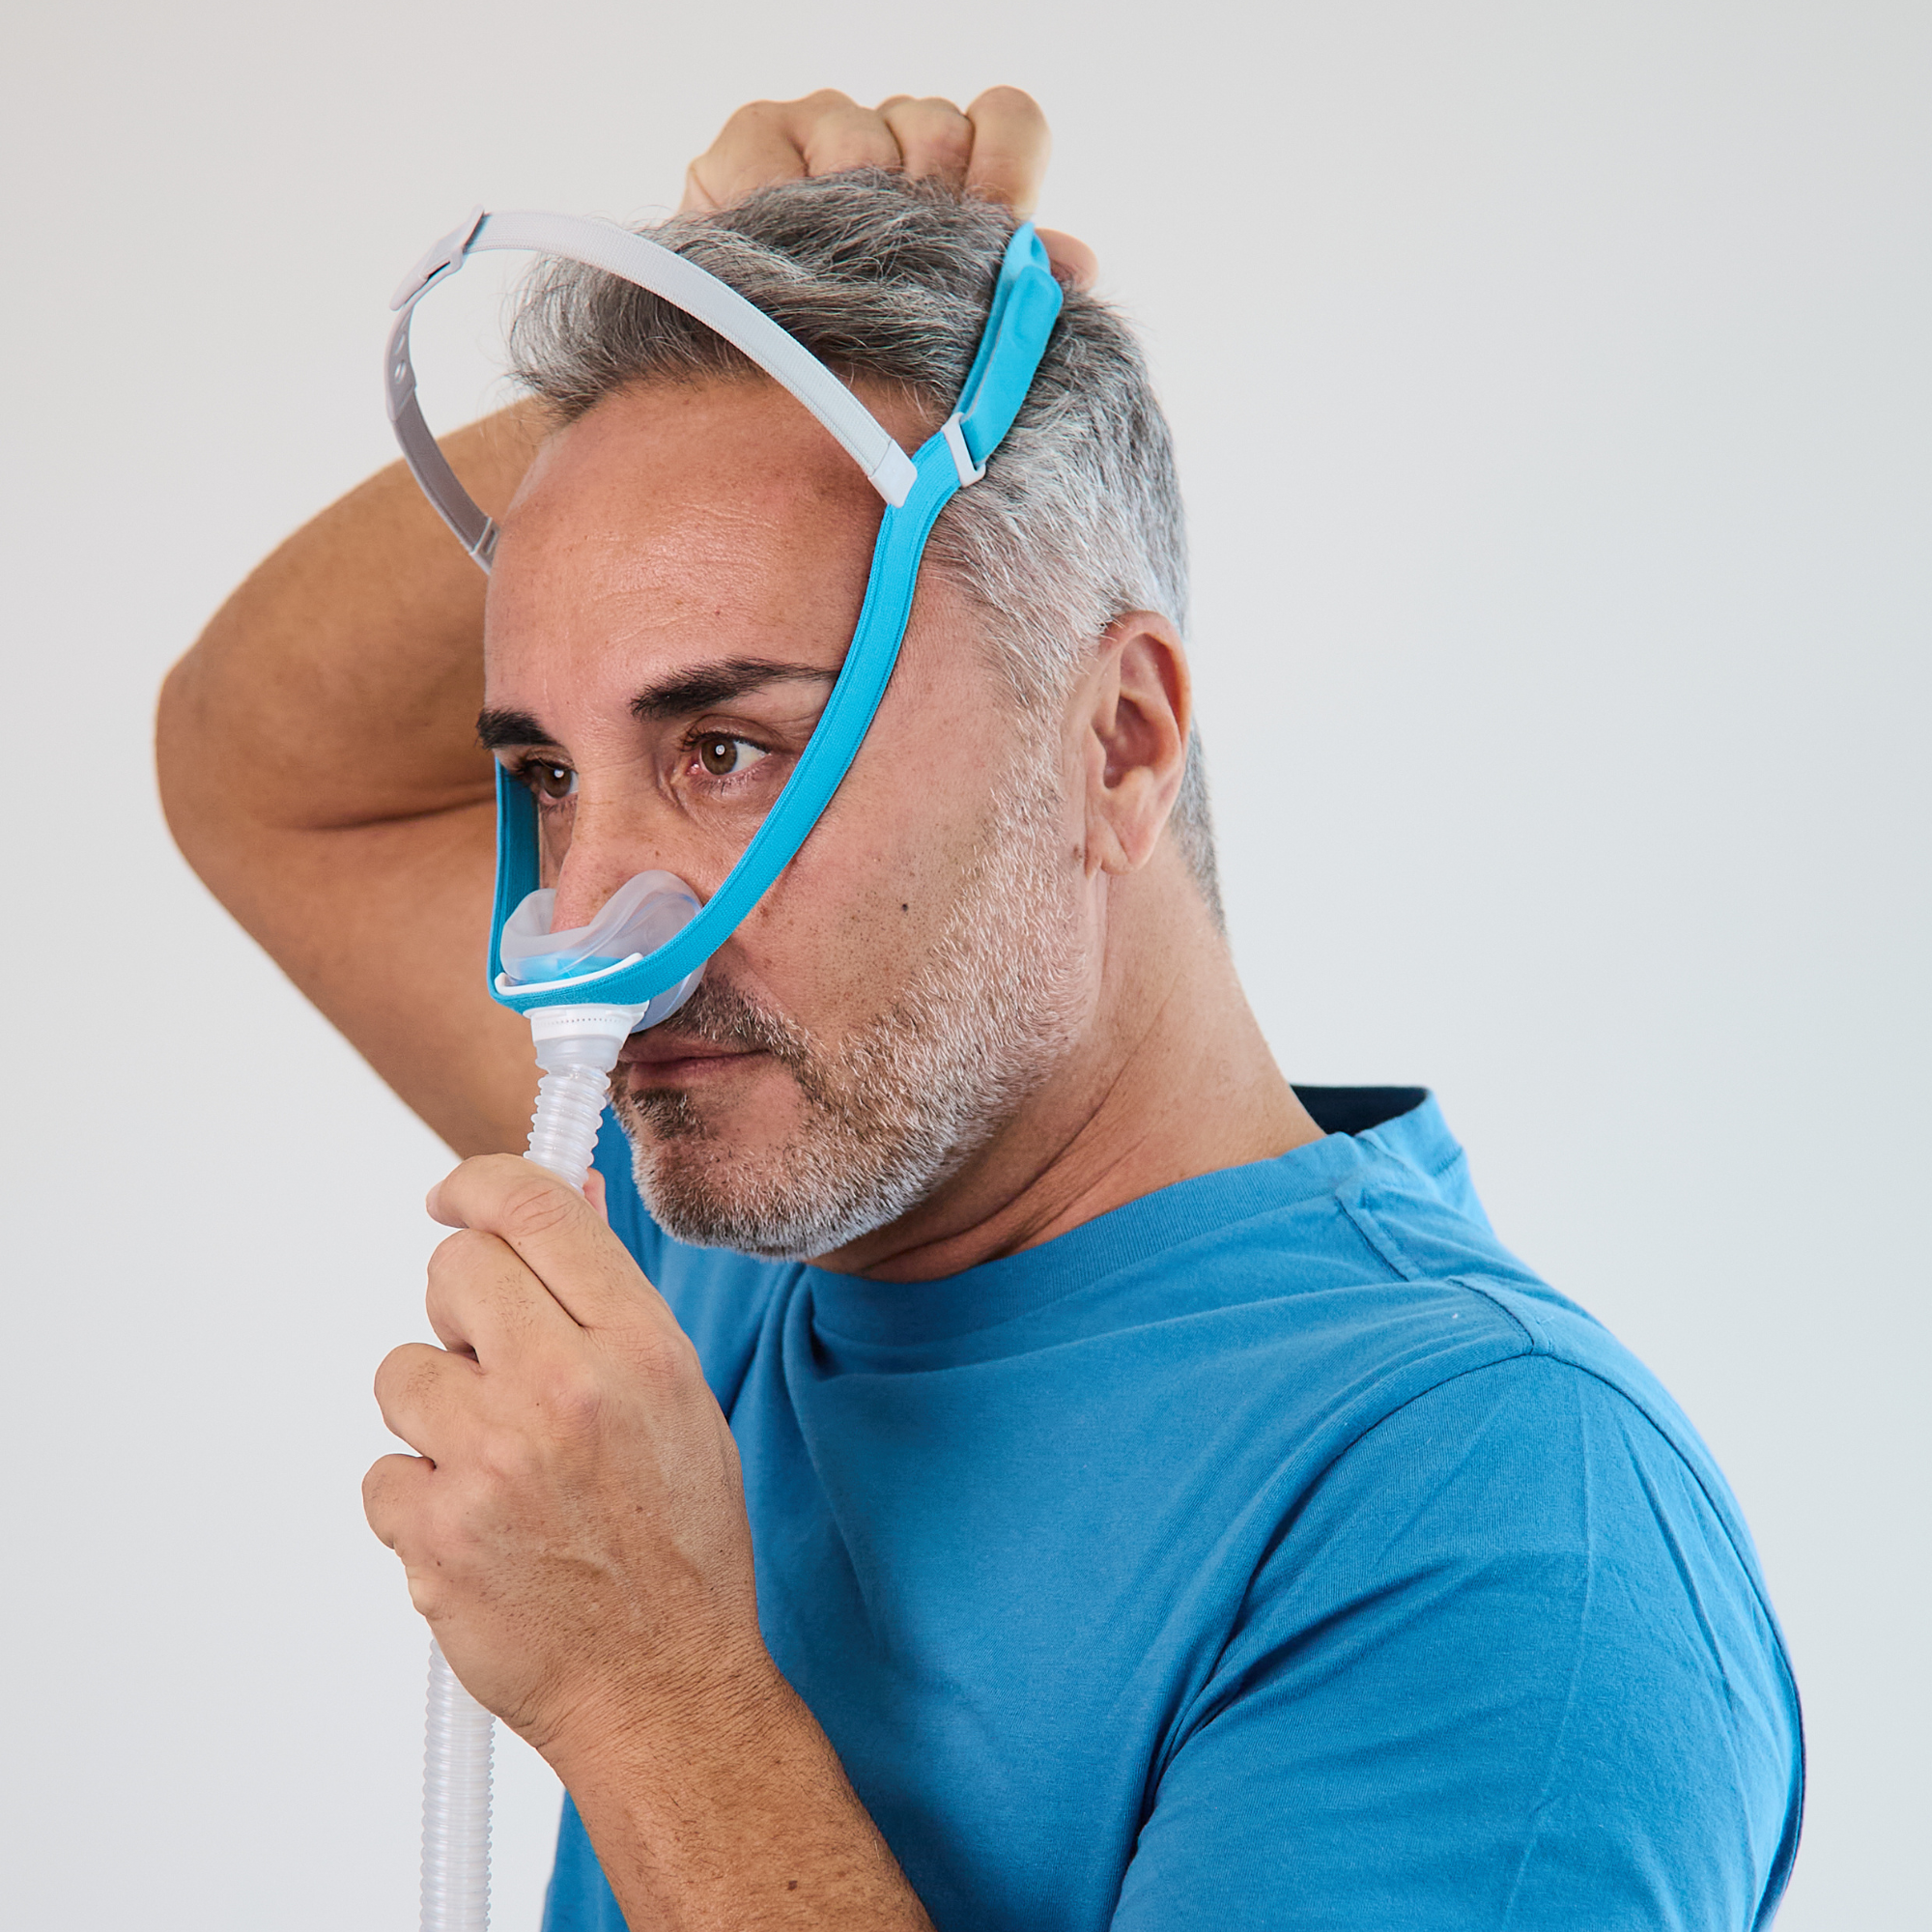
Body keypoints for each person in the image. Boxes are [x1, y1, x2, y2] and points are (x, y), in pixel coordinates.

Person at [157, 89, 1804, 1931]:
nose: (591, 922)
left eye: (726, 747)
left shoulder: (1493, 1532)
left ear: (1116, 740)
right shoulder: (758, 1191)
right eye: (545, 770)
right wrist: (738, 366)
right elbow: (265, 764)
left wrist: (650, 1691)